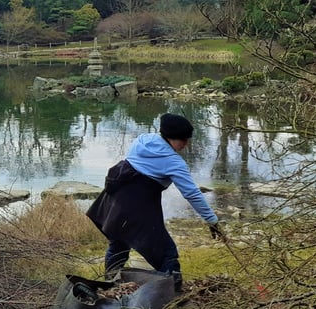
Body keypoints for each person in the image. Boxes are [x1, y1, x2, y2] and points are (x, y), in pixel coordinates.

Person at [86, 113, 224, 291]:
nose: (186, 144)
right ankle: (172, 294)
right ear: (171, 138)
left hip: (113, 199)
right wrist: (212, 220)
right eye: (183, 140)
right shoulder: (173, 162)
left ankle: (111, 285)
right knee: (167, 253)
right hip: (137, 206)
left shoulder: (143, 140)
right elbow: (192, 194)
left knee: (119, 242)